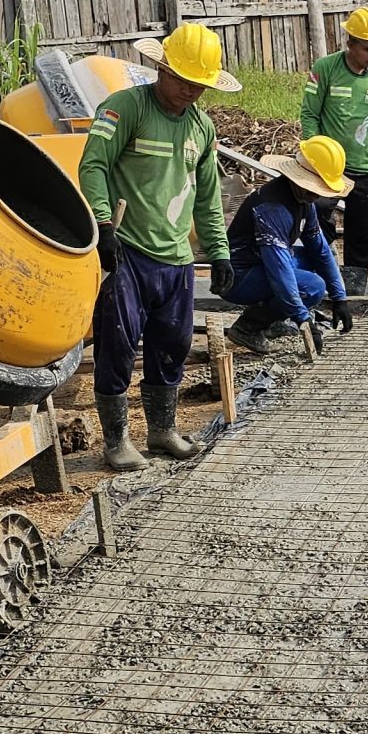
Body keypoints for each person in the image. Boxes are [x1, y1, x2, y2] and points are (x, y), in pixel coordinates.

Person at [80, 23, 235, 472]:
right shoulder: (125, 109)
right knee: (118, 345)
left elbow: (206, 197)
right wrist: (104, 224)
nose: (190, 91)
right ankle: (116, 440)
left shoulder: (201, 129)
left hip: (176, 260)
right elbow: (92, 166)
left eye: (200, 85)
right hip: (129, 250)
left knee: (174, 343)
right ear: (161, 67)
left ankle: (162, 430)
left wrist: (219, 251)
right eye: (183, 79)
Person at [298, 6, 368, 296]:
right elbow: (309, 116)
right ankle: (317, 283)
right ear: (350, 43)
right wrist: (314, 154)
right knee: (314, 221)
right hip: (329, 170)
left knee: (365, 234)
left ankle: (354, 289)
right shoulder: (325, 69)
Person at [222, 136, 358, 354]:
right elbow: (279, 271)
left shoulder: (303, 201)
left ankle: (273, 318)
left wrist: (339, 297)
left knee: (311, 262)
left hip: (260, 263)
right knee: (313, 286)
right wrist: (304, 320)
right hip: (238, 276)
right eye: (314, 189)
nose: (316, 196)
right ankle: (248, 327)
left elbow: (320, 251)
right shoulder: (272, 208)